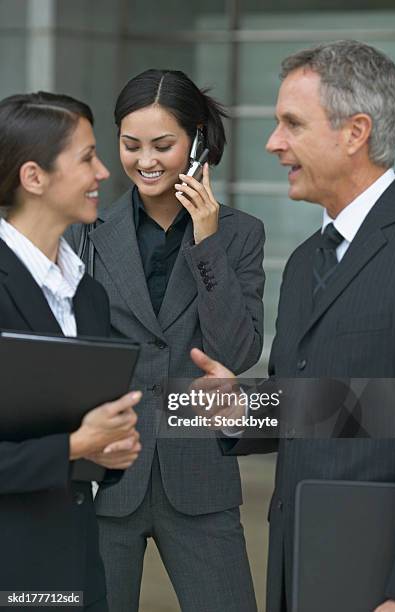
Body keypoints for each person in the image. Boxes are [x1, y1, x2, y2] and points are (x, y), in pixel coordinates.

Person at [190, 40, 395, 612]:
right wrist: (242, 410)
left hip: (379, 577)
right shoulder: (309, 258)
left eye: (291, 123)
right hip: (298, 566)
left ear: (355, 132)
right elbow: (318, 406)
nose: (272, 142)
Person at [66, 69, 265, 612]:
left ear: (197, 140)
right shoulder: (84, 233)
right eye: (131, 146)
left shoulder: (239, 234)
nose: (145, 161)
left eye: (163, 145)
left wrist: (207, 244)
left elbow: (237, 352)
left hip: (198, 476)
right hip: (108, 476)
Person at [0, 92, 143, 612]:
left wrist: (108, 455)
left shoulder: (89, 294)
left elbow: (85, 441)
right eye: (86, 157)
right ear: (34, 177)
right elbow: (66, 441)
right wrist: (74, 445)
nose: (103, 172)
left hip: (77, 569)